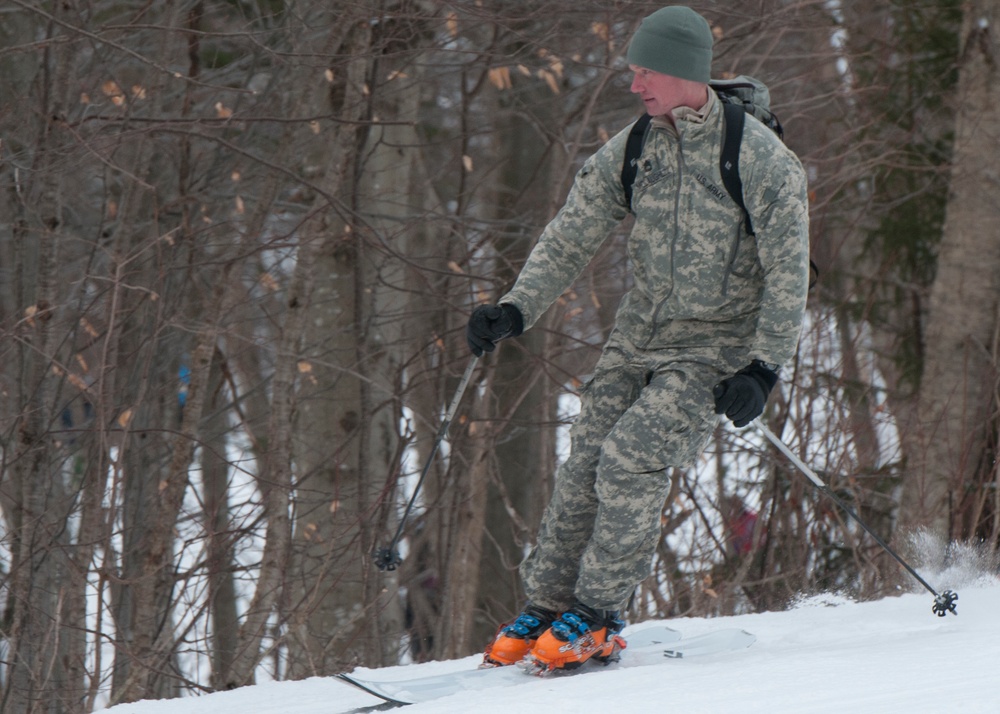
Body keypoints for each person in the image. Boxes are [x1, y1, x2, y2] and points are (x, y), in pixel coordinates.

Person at [467, 5, 810, 672]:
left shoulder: (760, 159)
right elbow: (572, 233)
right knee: (585, 458)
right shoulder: (634, 147)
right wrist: (515, 308)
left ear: (684, 72)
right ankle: (545, 605)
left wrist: (764, 368)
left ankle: (597, 617)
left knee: (630, 456)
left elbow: (789, 271)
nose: (633, 85)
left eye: (644, 71)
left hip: (715, 346)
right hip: (638, 334)